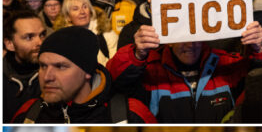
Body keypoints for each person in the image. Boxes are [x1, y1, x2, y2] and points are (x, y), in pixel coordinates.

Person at [107, 18, 262, 123]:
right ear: (169, 41)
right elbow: (114, 80)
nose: (191, 45)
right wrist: (137, 54)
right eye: (182, 38)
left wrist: (259, 48)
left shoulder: (226, 65)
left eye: (196, 37)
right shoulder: (152, 71)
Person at [12, 27, 155, 123]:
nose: (47, 76)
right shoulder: (28, 114)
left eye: (61, 66)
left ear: (87, 71)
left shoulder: (130, 114)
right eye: (43, 66)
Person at [54, 0, 118, 66]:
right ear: (68, 17)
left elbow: (115, 65)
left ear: (90, 11)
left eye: (85, 7)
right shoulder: (61, 40)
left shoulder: (106, 32)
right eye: (75, 9)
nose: (82, 12)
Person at [3, 11, 46, 122]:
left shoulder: (55, 76)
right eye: (29, 37)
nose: (40, 42)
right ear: (9, 44)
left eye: (42, 35)